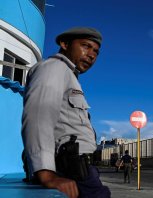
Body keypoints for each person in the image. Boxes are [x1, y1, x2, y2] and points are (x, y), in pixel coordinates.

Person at [22, 27, 110, 198]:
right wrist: (46, 172)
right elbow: (39, 115)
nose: (91, 55)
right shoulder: (54, 68)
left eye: (96, 52)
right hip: (70, 170)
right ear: (64, 44)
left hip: (80, 170)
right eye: (85, 46)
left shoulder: (69, 76)